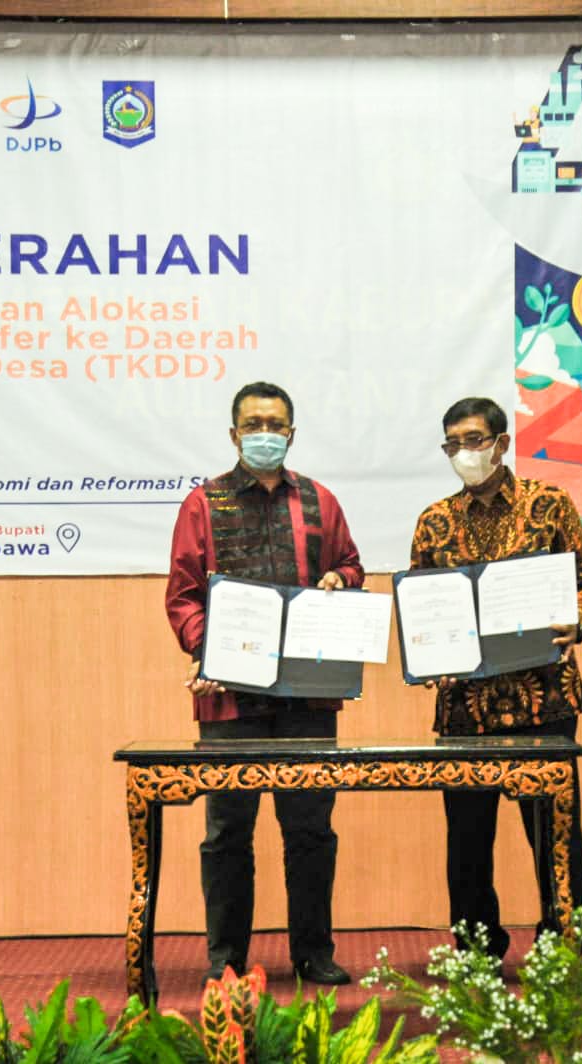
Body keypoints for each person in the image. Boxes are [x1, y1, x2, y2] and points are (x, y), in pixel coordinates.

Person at [164, 381, 362, 987]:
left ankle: (313, 953)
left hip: (309, 694)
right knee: (227, 832)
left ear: (291, 434)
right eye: (253, 425)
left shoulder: (321, 501)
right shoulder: (203, 504)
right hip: (230, 698)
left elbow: (351, 564)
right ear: (234, 434)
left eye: (275, 425)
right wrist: (208, 652)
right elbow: (183, 595)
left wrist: (341, 580)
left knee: (310, 829)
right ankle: (225, 960)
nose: (265, 435)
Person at [408, 396, 582, 961]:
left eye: (473, 440)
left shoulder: (549, 505)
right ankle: (477, 949)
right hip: (464, 707)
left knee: (553, 832)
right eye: (452, 444)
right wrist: (428, 655)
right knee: (468, 838)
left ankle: (562, 946)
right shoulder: (434, 521)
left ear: (501, 443)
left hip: (543, 699)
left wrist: (577, 620)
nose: (463, 453)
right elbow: (422, 604)